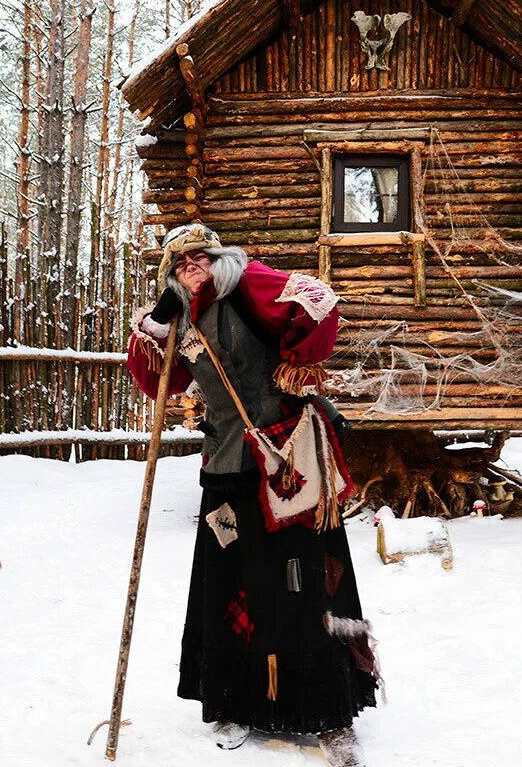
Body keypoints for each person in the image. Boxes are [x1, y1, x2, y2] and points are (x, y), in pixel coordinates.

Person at [127, 222, 379, 767]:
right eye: (179, 262)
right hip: (226, 463)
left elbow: (319, 302)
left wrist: (297, 362)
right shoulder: (181, 315)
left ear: (219, 258)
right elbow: (159, 383)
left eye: (200, 256)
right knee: (229, 580)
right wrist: (151, 332)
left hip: (288, 463)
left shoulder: (250, 285)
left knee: (304, 579)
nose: (191, 266)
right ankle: (236, 700)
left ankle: (330, 714)